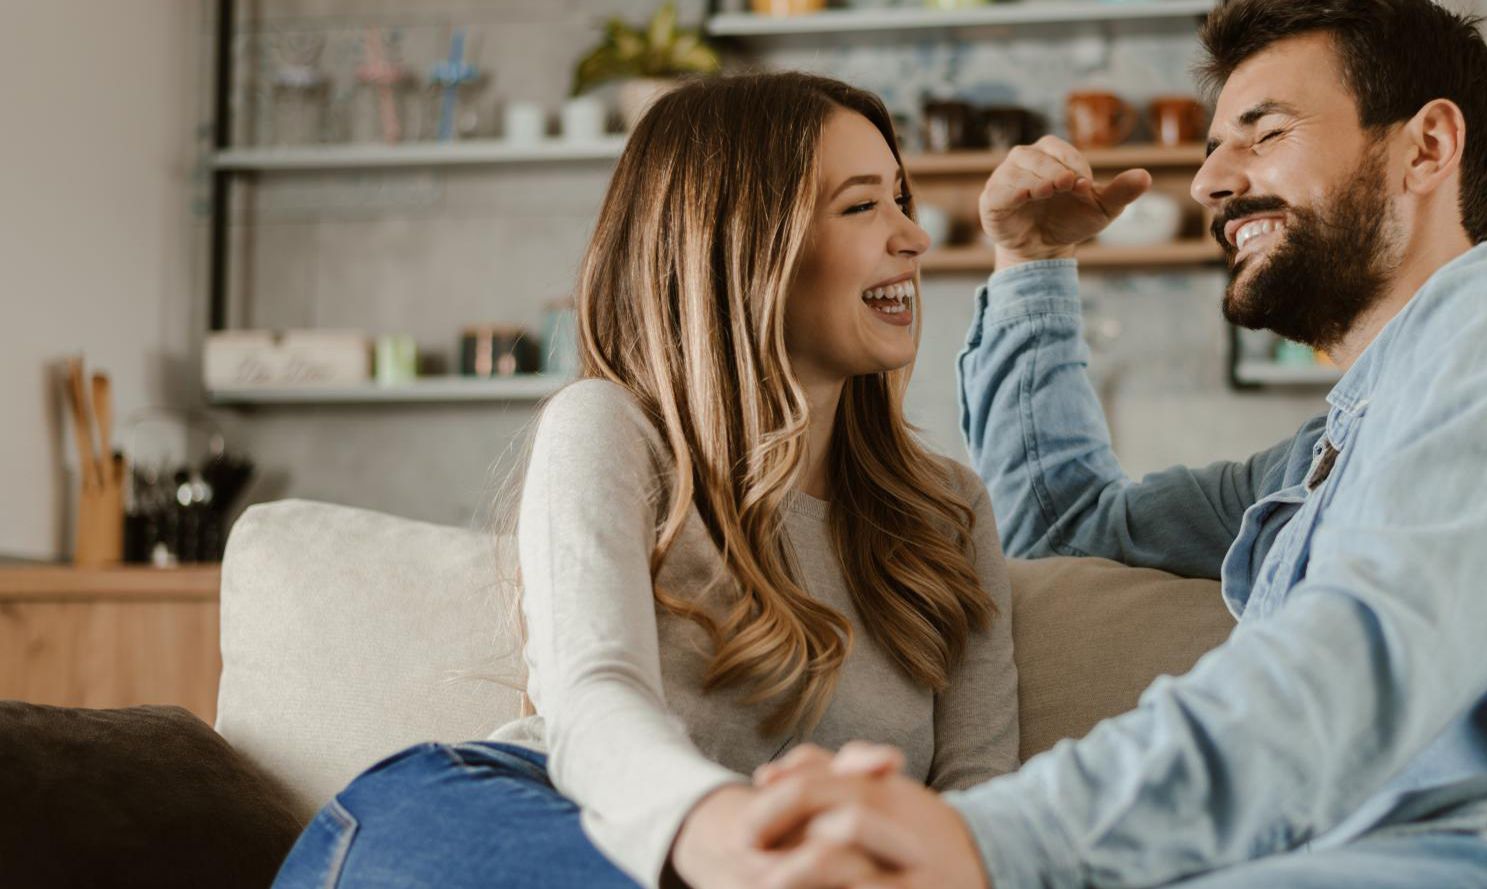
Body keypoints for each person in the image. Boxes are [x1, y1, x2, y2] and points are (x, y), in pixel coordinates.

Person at [741, 2, 1487, 888]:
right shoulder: (1334, 449)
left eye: (1263, 132)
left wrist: (990, 843)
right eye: (1215, 147)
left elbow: (1359, 661)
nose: (1212, 181)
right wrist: (1030, 263)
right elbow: (1068, 532)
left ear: (1427, 147)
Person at [269, 72, 1019, 889]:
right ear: (742, 248)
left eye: (901, 200)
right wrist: (735, 840)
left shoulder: (948, 512)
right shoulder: (611, 429)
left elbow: (982, 797)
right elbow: (593, 701)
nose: (912, 237)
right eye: (862, 205)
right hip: (494, 818)